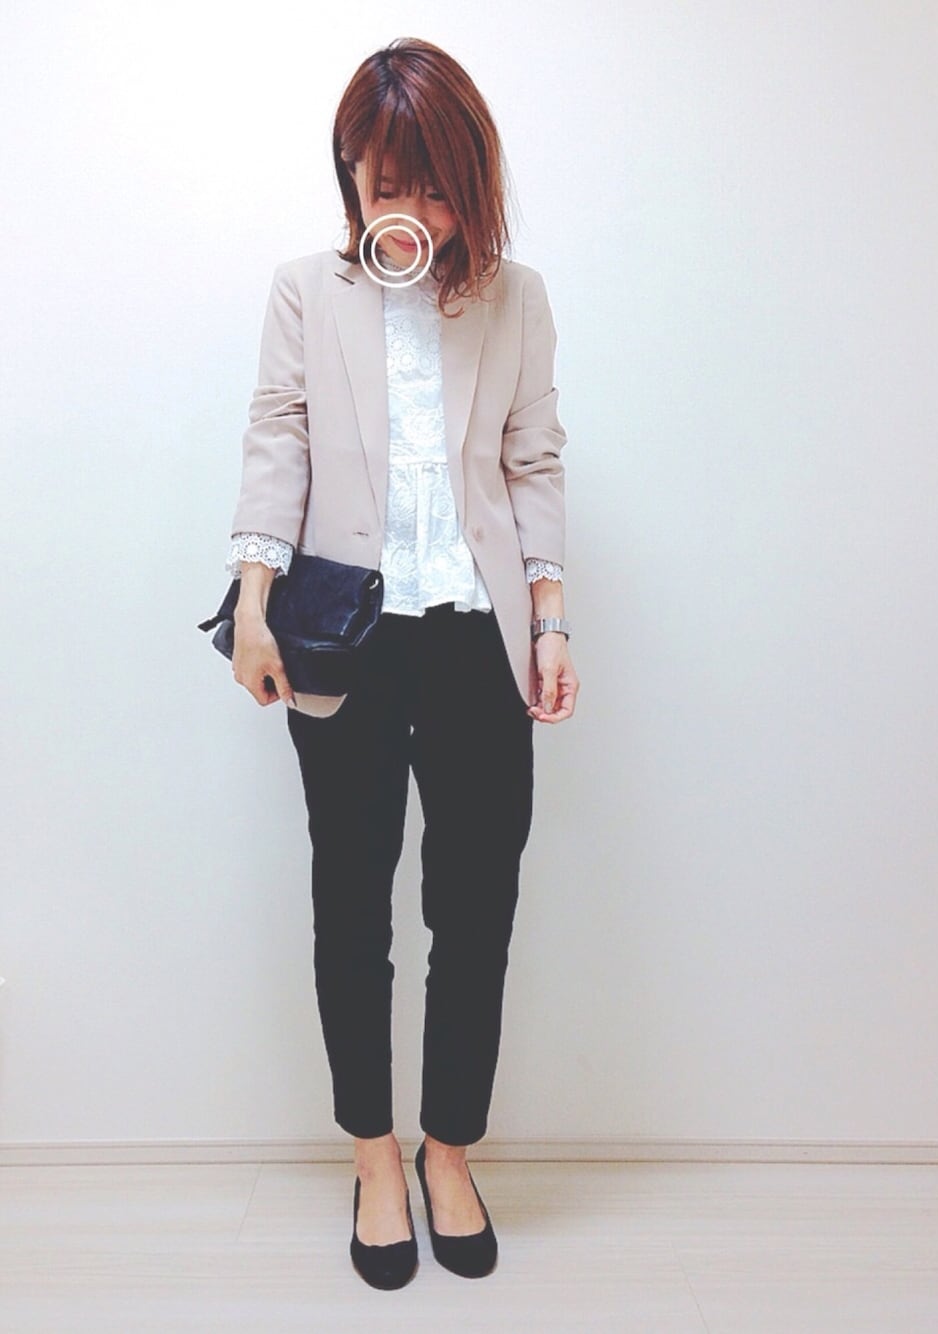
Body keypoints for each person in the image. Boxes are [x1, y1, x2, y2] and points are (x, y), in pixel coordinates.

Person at [225, 38, 578, 1288]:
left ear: (471, 184)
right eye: (388, 185)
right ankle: (373, 1153)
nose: (412, 213)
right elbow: (278, 436)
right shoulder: (304, 291)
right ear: (351, 175)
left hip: (478, 640)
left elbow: (533, 459)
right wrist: (253, 602)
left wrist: (549, 619)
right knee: (352, 907)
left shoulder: (516, 297)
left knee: (475, 909)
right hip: (347, 641)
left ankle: (448, 1148)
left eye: (436, 188)